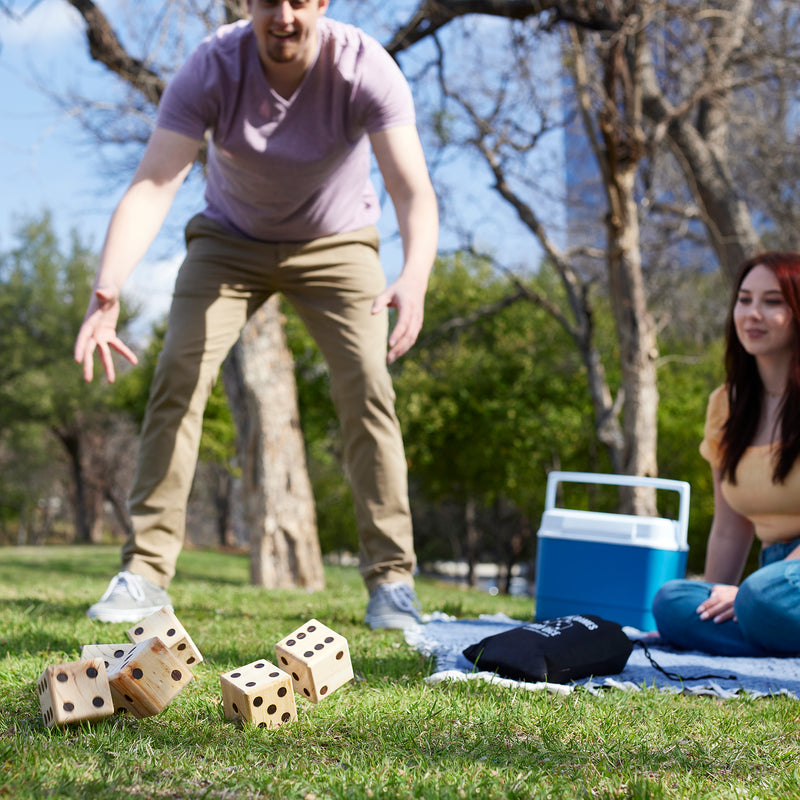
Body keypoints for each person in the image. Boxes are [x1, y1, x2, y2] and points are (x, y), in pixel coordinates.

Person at [73, 0, 438, 630]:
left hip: (338, 241)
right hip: (229, 242)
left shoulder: (363, 68)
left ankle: (392, 582)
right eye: (270, 0)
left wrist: (415, 275)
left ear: (322, 3)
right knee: (178, 377)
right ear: (247, 4)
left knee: (368, 390)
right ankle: (145, 573)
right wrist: (108, 286)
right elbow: (156, 182)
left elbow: (410, 187)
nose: (285, 16)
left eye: (300, 0)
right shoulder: (212, 68)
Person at [652, 252, 800, 656]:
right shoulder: (725, 404)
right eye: (744, 299)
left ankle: (763, 626)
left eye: (772, 301)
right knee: (671, 602)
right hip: (774, 582)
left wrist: (753, 596)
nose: (752, 313)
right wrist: (711, 599)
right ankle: (772, 636)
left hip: (780, 586)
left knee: (759, 598)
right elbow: (729, 528)